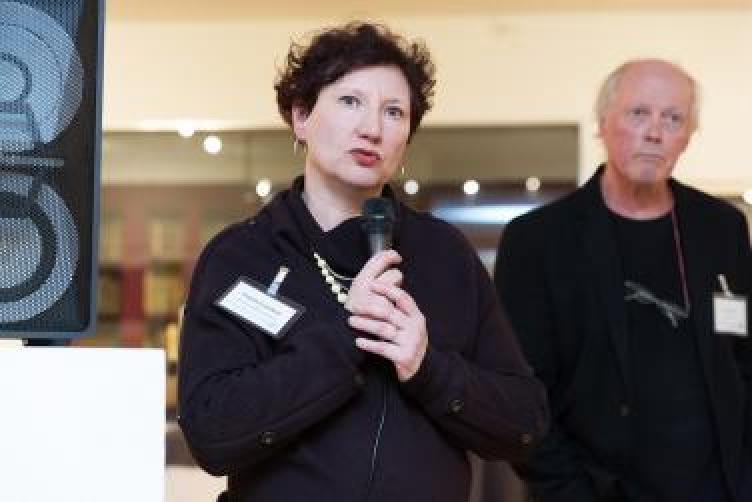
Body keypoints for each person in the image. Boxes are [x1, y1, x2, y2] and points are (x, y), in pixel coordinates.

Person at [178, 22, 548, 502]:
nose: (372, 128)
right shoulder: (242, 256)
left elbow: (524, 422)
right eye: (350, 101)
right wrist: (344, 339)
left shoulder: (447, 255)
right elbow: (211, 433)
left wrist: (428, 368)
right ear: (301, 116)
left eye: (394, 112)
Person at [494, 58, 752, 502]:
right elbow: (520, 390)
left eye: (673, 118)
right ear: (603, 123)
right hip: (593, 490)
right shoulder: (538, 240)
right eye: (638, 113)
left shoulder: (722, 228)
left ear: (688, 136)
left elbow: (743, 362)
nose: (655, 132)